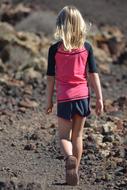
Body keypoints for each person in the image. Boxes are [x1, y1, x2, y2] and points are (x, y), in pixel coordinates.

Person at [45, 5, 103, 186]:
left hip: (64, 98)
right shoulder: (87, 47)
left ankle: (69, 158)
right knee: (77, 136)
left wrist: (49, 100)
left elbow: (50, 78)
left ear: (60, 25)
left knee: (63, 137)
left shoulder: (54, 49)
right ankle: (74, 171)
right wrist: (100, 98)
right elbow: (93, 74)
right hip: (83, 97)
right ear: (80, 25)